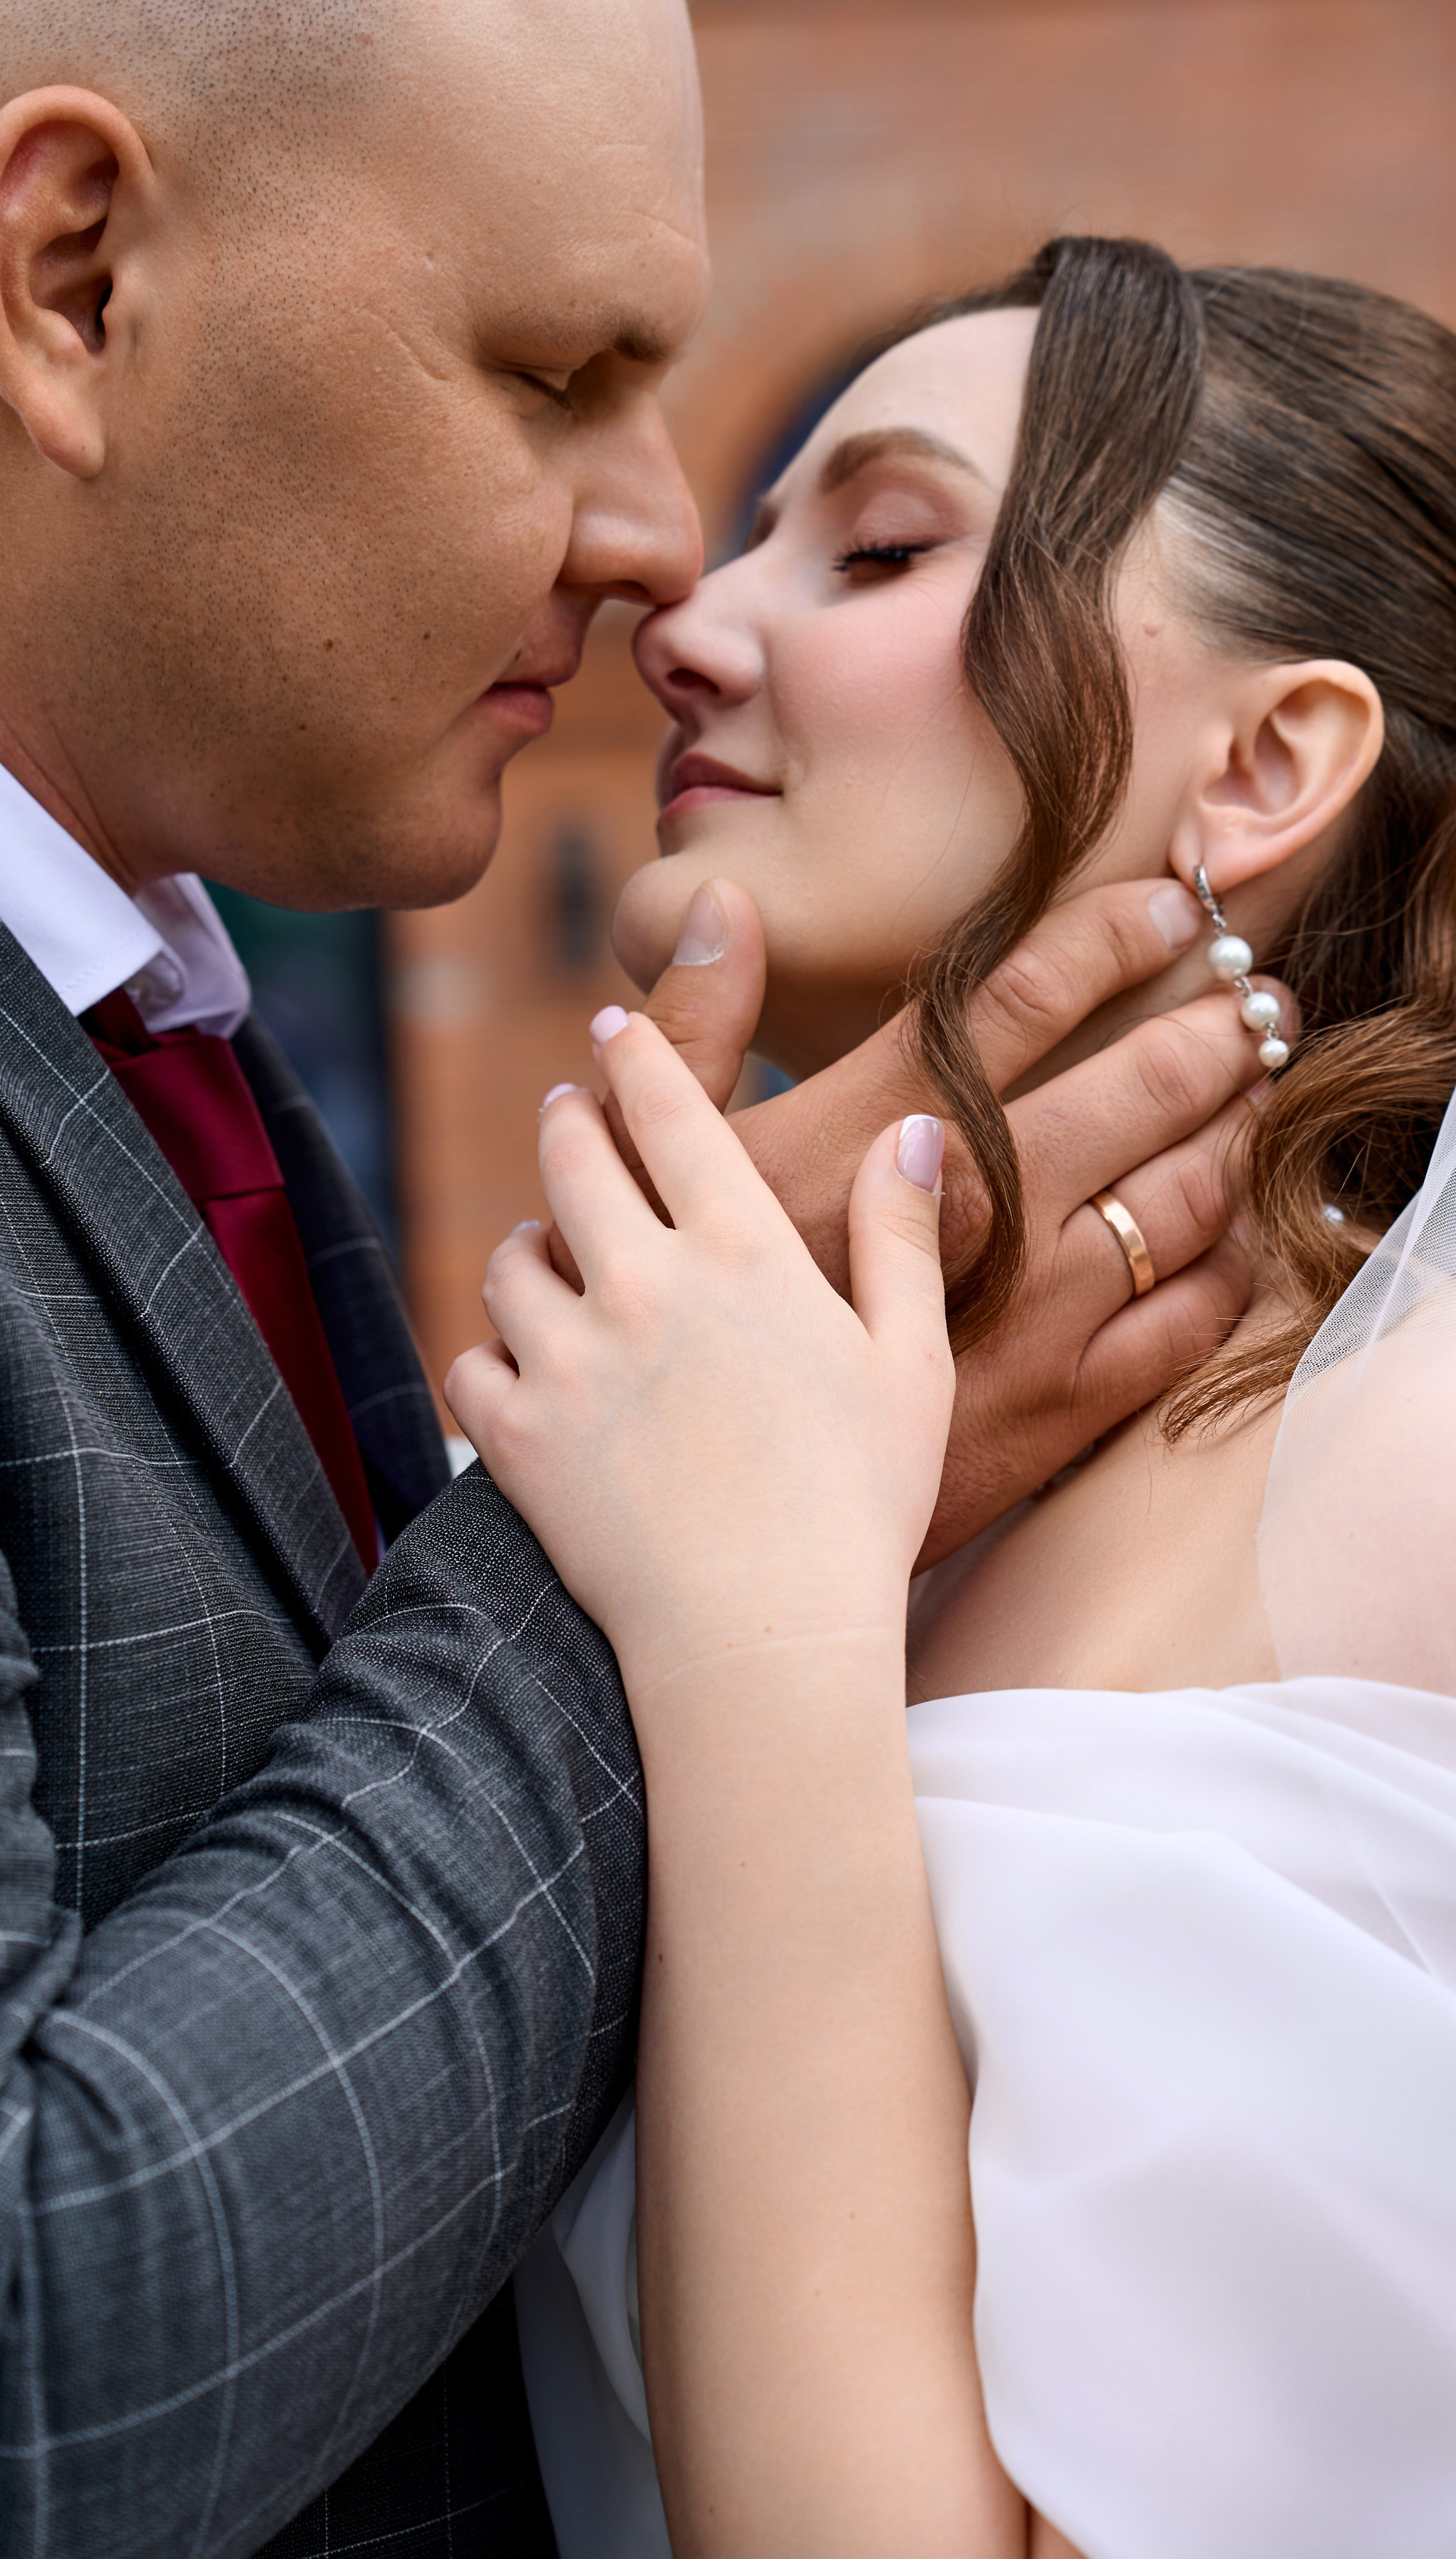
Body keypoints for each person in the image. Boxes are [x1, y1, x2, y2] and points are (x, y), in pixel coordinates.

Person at [0, 22, 1254, 2559]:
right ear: (75, 273)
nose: (665, 556)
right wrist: (680, 1550)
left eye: (877, 546)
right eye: (554, 372)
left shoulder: (169, 1027)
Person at [453, 239, 1456, 2555]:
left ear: (1269, 762)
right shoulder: (765, 1429)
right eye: (756, 537)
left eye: (885, 545)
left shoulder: (1443, 1477)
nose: (689, 624)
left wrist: (761, 1639)